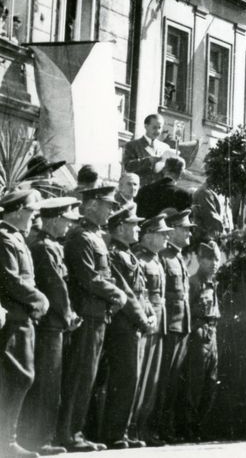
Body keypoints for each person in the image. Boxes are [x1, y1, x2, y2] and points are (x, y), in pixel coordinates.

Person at [56, 183, 126, 452]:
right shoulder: (81, 237)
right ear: (93, 204)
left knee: (88, 377)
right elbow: (89, 277)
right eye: (108, 205)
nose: (110, 211)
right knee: (79, 377)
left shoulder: (96, 236)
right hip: (86, 314)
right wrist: (116, 293)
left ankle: (76, 431)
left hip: (97, 315)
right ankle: (68, 434)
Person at [22, 196, 80, 457]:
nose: (68, 226)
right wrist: (69, 315)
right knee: (47, 383)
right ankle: (40, 439)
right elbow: (56, 286)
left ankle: (44, 436)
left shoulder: (49, 245)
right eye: (66, 221)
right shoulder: (45, 247)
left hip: (53, 322)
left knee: (50, 382)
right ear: (55, 219)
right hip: (50, 325)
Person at [0, 188, 49, 458]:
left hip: (23, 317)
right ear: (18, 211)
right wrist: (39, 299)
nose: (34, 217)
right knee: (17, 378)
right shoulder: (5, 239)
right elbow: (11, 279)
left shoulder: (16, 237)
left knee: (21, 377)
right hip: (14, 318)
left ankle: (8, 440)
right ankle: (6, 442)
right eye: (31, 211)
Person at [101, 205, 155, 449]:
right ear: (120, 227)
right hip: (124, 325)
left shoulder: (128, 253)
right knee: (124, 378)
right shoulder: (114, 254)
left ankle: (123, 430)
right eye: (133, 224)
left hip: (134, 325)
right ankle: (114, 433)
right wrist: (143, 319)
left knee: (132, 379)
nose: (137, 229)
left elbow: (141, 292)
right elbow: (126, 293)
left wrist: (150, 313)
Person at [129, 215, 170, 446]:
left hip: (158, 325)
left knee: (152, 381)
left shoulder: (155, 259)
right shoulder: (140, 259)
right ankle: (132, 427)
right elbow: (141, 294)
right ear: (149, 236)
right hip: (145, 324)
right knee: (140, 379)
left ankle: (143, 428)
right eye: (162, 233)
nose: (166, 237)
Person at [152, 208, 192, 443]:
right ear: (173, 230)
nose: (188, 233)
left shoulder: (177, 257)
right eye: (184, 229)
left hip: (181, 326)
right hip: (169, 327)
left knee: (173, 381)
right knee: (163, 381)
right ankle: (155, 427)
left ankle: (165, 428)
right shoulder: (165, 257)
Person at [182, 241, 222, 440]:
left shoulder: (213, 283)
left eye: (216, 259)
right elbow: (186, 311)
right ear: (199, 260)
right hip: (198, 334)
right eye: (209, 259)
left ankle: (199, 426)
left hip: (212, 334)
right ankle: (188, 428)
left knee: (211, 383)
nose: (214, 263)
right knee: (194, 384)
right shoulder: (193, 283)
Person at [134, 157, 193, 221]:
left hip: (146, 229)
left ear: (164, 170)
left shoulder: (145, 189)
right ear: (181, 174)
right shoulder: (184, 195)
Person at [122, 115, 167, 189]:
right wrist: (148, 160)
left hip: (159, 191)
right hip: (140, 190)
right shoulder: (133, 145)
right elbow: (127, 166)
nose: (157, 131)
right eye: (154, 127)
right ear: (146, 126)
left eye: (159, 128)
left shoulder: (165, 147)